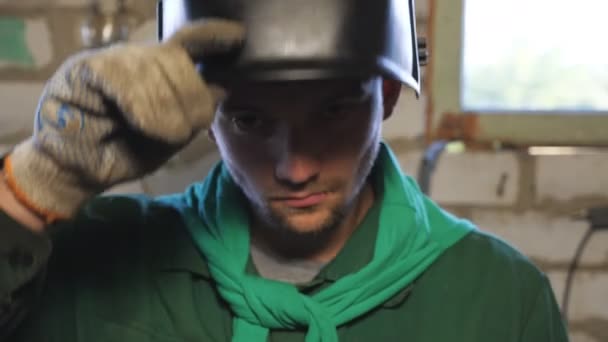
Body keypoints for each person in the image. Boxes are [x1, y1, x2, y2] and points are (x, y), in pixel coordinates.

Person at [0, 3, 568, 342]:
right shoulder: (93, 259)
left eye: (333, 112)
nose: (294, 166)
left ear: (388, 95)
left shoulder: (498, 297)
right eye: (249, 119)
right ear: (203, 114)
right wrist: (34, 188)